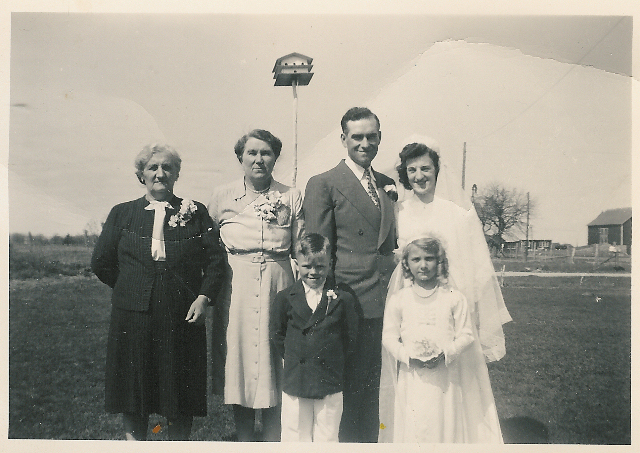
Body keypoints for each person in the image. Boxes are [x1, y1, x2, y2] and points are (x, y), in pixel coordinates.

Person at [378, 136, 512, 442]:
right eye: (412, 170)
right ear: (405, 174)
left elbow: (476, 267)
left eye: (425, 168)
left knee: (454, 387)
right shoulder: (400, 212)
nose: (419, 176)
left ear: (437, 171)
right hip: (411, 310)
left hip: (449, 311)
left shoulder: (456, 213)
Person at [91, 144, 226, 440]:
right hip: (133, 316)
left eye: (167, 168)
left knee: (180, 391)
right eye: (153, 168)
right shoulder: (122, 213)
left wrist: (203, 298)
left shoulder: (195, 212)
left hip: (183, 316)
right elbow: (101, 262)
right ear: (141, 174)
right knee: (134, 390)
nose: (160, 173)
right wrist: (131, 287)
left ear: (177, 173)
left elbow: (216, 261)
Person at [303, 107, 397, 442]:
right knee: (344, 394)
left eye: (371, 136)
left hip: (383, 302)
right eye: (357, 136)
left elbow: (389, 245)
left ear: (380, 139)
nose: (365, 142)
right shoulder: (324, 183)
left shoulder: (386, 185)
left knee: (373, 392)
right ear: (343, 139)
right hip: (345, 301)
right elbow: (316, 254)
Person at [208, 129, 304, 441]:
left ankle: (274, 438)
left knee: (275, 359)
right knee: (241, 363)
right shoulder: (223, 196)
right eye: (252, 153)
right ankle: (245, 439)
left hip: (279, 284)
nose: (259, 159)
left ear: (275, 157)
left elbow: (301, 248)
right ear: (241, 158)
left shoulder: (291, 195)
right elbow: (208, 249)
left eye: (266, 153)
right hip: (236, 288)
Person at [381, 237, 503, 443]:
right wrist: (408, 357)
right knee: (415, 421)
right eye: (416, 259)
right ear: (406, 264)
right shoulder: (399, 299)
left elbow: (466, 334)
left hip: (445, 374)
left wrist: (446, 353)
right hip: (413, 374)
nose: (423, 265)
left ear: (440, 262)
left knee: (443, 420)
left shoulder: (454, 298)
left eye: (429, 259)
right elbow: (389, 337)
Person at [271, 233, 359, 442]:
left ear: (330, 264)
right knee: (295, 433)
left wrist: (332, 358)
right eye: (307, 266)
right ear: (297, 264)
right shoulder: (285, 297)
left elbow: (350, 338)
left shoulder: (342, 298)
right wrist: (296, 356)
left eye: (320, 266)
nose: (314, 272)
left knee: (327, 433)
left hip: (328, 378)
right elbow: (277, 334)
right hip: (297, 378)